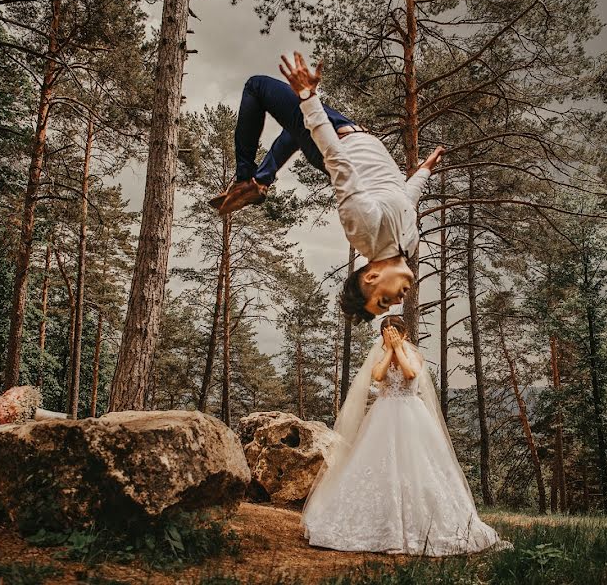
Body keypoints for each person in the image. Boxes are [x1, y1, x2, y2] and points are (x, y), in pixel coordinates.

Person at [210, 52, 445, 324]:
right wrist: (425, 170)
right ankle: (261, 179)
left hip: (335, 139)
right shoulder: (408, 245)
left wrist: (309, 99)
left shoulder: (364, 232)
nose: (397, 302)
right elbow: (407, 200)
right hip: (344, 133)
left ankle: (245, 177)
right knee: (294, 130)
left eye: (384, 301)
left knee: (257, 86)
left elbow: (338, 161)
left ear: (371, 276)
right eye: (390, 305)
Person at [301, 316, 512, 556]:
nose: (388, 338)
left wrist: (398, 348)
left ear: (404, 334)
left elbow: (410, 374)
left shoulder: (414, 355)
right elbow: (379, 376)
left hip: (411, 416)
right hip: (383, 416)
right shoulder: (380, 357)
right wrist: (389, 351)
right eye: (385, 334)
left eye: (393, 333)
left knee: (419, 467)